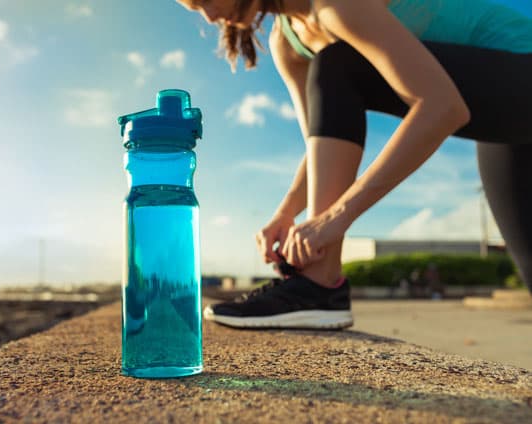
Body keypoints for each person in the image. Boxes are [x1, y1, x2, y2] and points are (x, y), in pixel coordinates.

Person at [175, 0, 532, 329]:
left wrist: (333, 218)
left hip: (521, 63)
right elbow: (324, 147)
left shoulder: (335, 5)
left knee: (335, 62)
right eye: (194, 8)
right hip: (506, 123)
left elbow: (442, 108)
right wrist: (285, 214)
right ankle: (318, 285)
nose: (208, 16)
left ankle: (319, 284)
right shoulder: (288, 43)